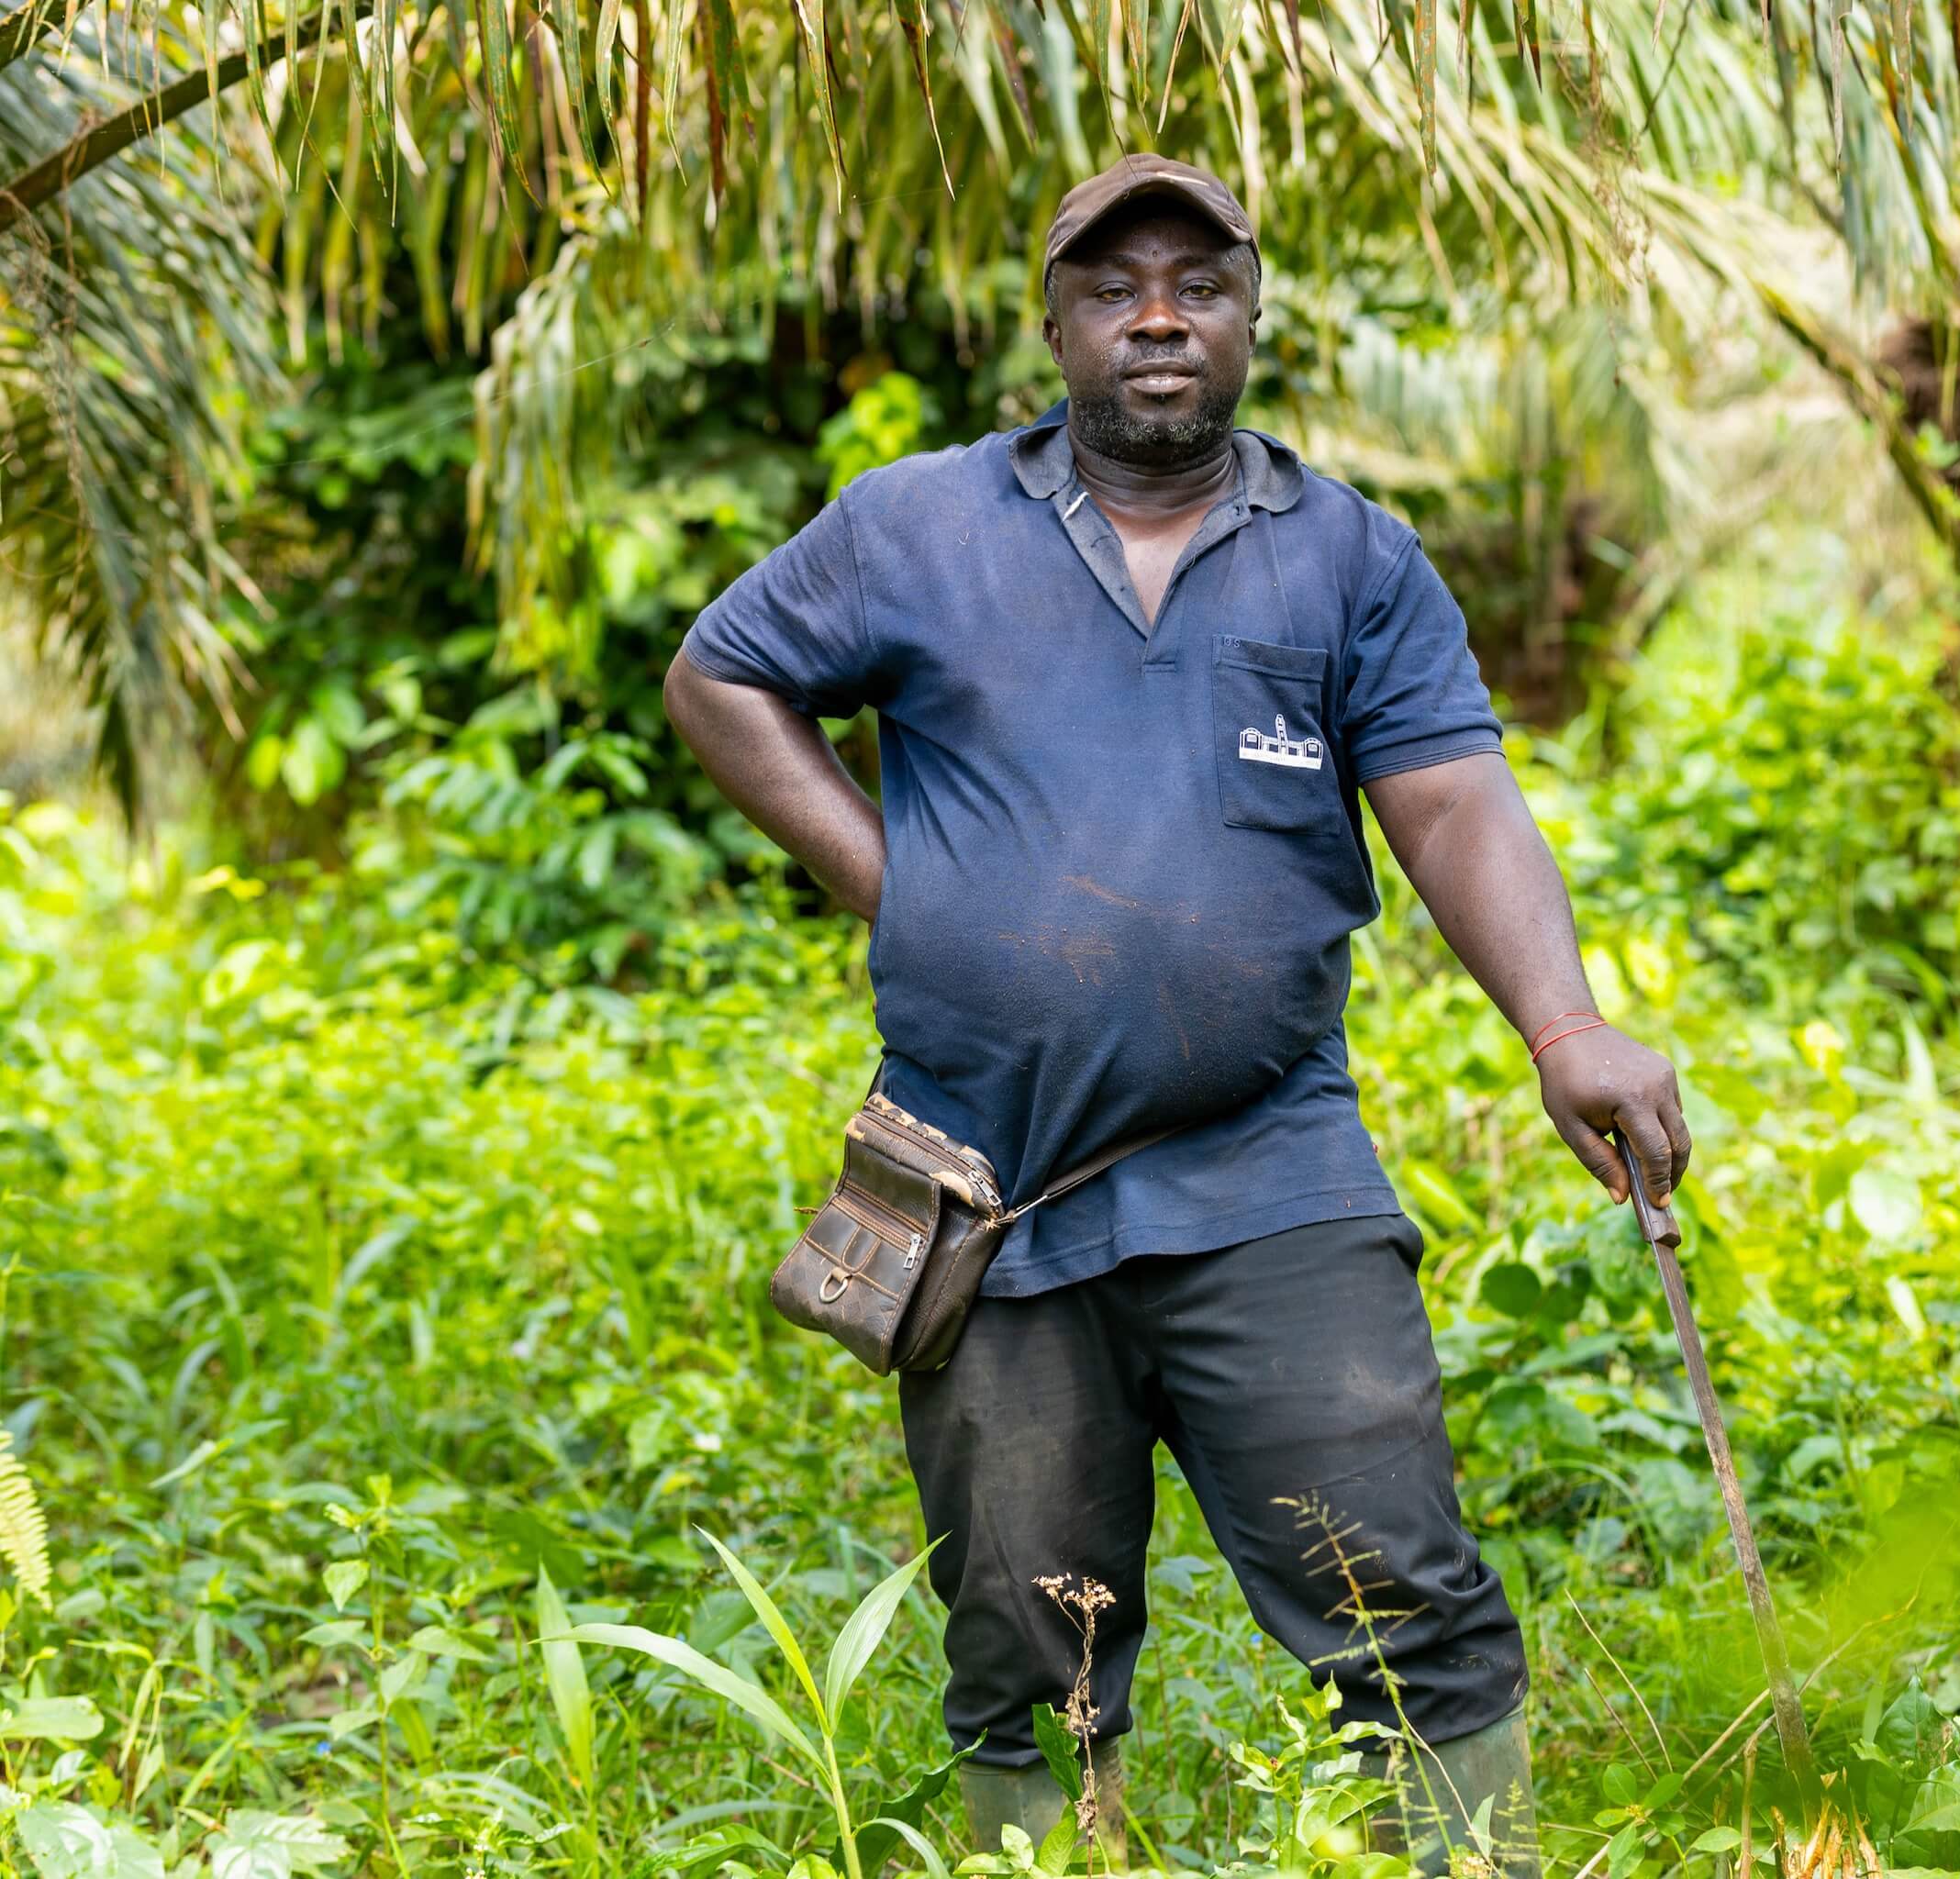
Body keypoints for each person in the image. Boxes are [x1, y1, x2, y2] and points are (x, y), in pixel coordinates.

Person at [664, 154, 1692, 1873]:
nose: (1159, 318)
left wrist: (1565, 1028)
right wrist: (898, 878)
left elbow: (1450, 798)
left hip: (1269, 1177)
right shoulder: (914, 526)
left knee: (1401, 1593)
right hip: (991, 1197)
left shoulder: (1350, 557)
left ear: (1249, 313)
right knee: (1025, 1646)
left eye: (1199, 288)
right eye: (1116, 288)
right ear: (1054, 319)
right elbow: (721, 674)